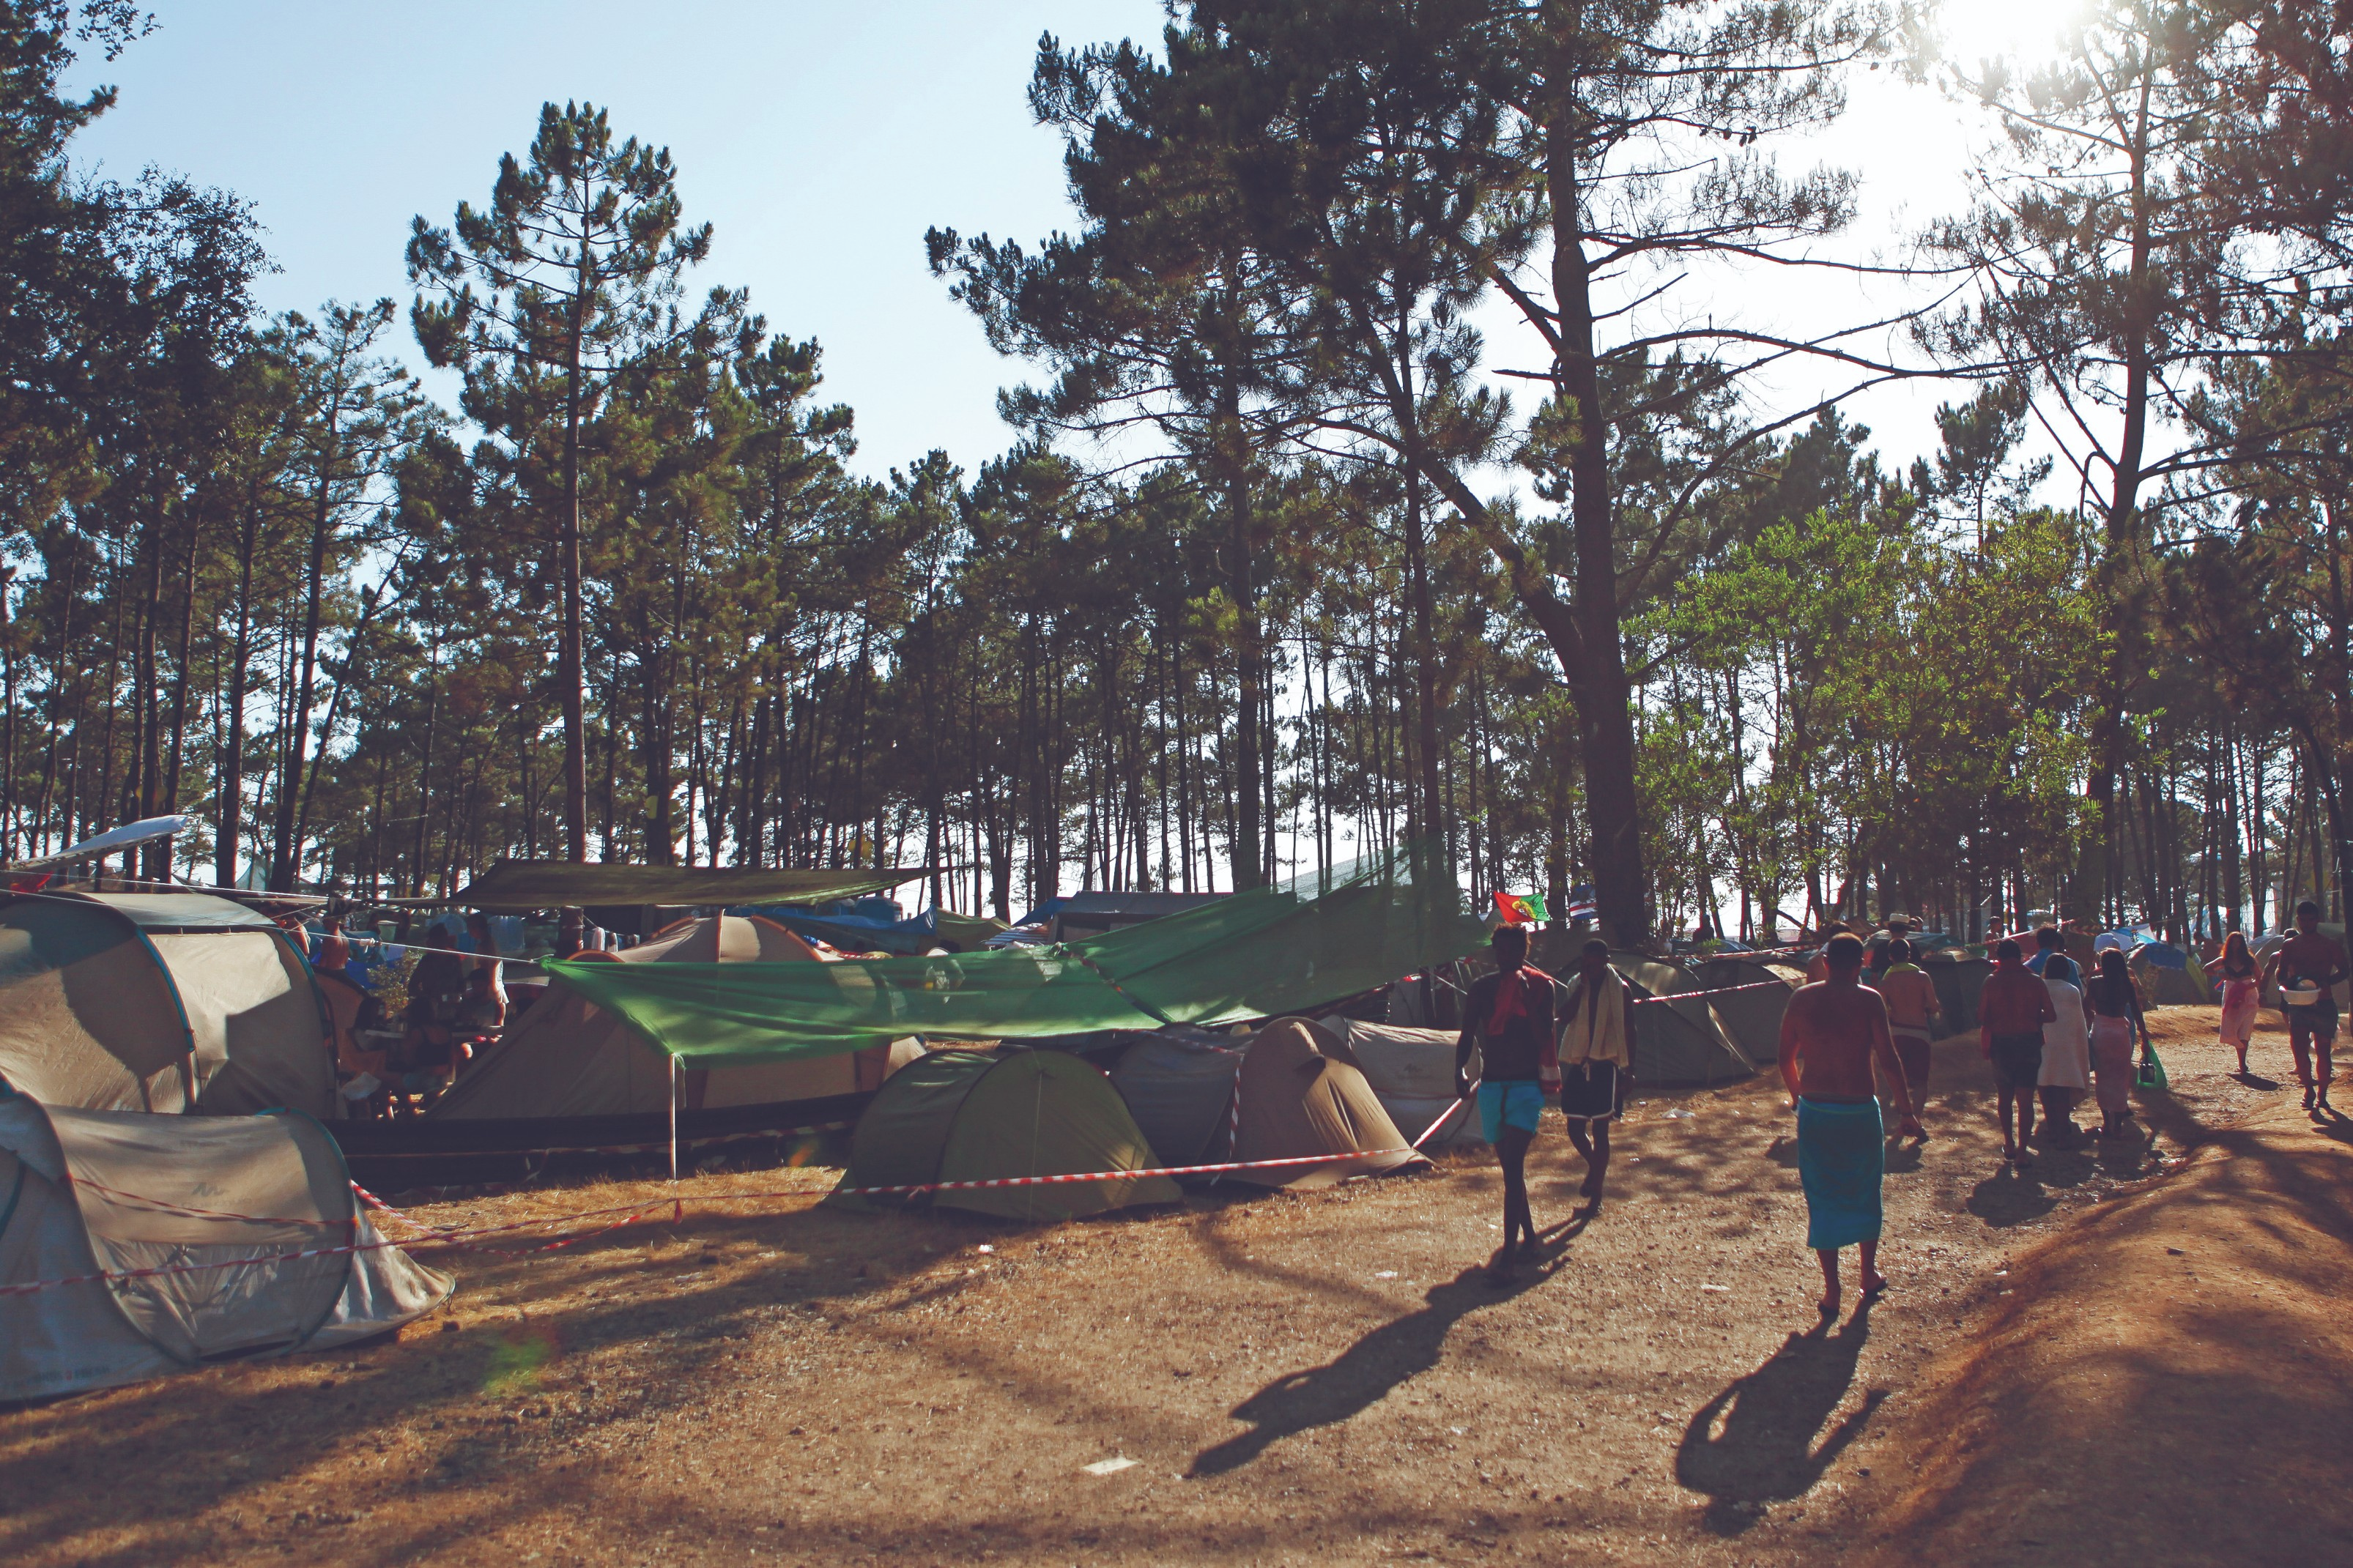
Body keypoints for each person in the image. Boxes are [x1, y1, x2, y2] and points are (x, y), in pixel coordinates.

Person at [1777, 933, 1922, 1318]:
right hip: (1858, 1108)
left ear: (1825, 963)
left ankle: (1831, 1290)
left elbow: (1785, 1058)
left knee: (1822, 1194)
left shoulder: (1802, 999)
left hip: (1817, 1111)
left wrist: (1798, 1099)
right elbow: (1888, 1059)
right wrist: (1906, 1110)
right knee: (1864, 1189)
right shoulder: (1869, 1000)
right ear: (1863, 962)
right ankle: (1868, 1273)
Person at [1456, 924, 1560, 1279]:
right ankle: (1530, 1239)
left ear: (1524, 953)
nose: (1507, 958)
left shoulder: (1542, 987)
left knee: (1514, 1166)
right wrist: (1460, 1071)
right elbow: (1468, 1033)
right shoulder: (1482, 989)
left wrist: (1528, 1002)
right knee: (1510, 1171)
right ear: (1494, 952)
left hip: (1526, 1087)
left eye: (1514, 952)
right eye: (1501, 951)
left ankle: (1509, 1261)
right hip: (1493, 1086)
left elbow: (1546, 1036)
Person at [1555, 939, 1635, 1203]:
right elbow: (1564, 1017)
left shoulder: (1620, 989)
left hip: (1606, 1064)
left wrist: (1629, 1069)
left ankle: (1596, 1195)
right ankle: (1595, 1168)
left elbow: (1629, 1029)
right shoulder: (1576, 985)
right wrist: (1582, 989)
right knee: (1575, 1128)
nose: (1589, 966)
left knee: (1601, 1131)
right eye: (1585, 961)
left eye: (1594, 961)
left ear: (1605, 960)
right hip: (1579, 1062)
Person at [2262, 899, 2351, 1111]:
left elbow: (2345, 971)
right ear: (2298, 920)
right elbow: (2280, 971)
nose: (2306, 923)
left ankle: (2322, 1095)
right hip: (2298, 1002)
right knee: (2300, 1049)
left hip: (2324, 1002)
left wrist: (2325, 982)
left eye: (2310, 920)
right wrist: (2285, 983)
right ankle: (2309, 1089)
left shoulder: (2330, 945)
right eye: (2303, 920)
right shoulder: (2290, 945)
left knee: (2323, 1050)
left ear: (2317, 920)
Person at [1979, 939, 2058, 1166]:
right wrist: (2031, 1018)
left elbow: (1982, 1016)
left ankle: (2009, 1144)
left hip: (2001, 1044)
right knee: (2025, 1100)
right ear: (2020, 957)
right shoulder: (2034, 981)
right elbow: (2051, 1015)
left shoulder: (1992, 981)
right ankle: (2023, 1151)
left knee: (2004, 1097)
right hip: (2029, 1042)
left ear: (2000, 958)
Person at [1872, 937, 1942, 1139]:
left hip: (1896, 1033)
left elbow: (1883, 1011)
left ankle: (1906, 1116)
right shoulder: (1922, 977)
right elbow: (1934, 1006)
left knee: (1899, 1079)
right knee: (1920, 1082)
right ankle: (1916, 1121)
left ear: (1891, 957)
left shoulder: (1886, 981)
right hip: (1919, 1032)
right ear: (1909, 954)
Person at [2085, 948, 2149, 1140]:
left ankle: (2106, 1124)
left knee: (2102, 1077)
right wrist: (2145, 1039)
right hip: (2120, 1031)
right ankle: (2119, 1126)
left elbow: (2085, 1005)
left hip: (2101, 1030)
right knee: (2122, 1079)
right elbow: (2137, 1013)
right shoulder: (2126, 984)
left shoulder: (2095, 982)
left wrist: (2093, 1016)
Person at [2037, 947, 2091, 1148]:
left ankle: (2051, 1126)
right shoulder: (2072, 991)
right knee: (2061, 1088)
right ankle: (2061, 1128)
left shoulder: (2039, 986)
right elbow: (2079, 1023)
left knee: (2045, 1085)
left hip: (2042, 1044)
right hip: (2066, 1046)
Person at [2215, 930, 2261, 1074]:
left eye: (2239, 942)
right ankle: (2241, 1061)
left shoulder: (2249, 960)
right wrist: (2220, 974)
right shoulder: (2225, 960)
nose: (2236, 945)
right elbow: (2207, 968)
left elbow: (2260, 976)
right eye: (2233, 942)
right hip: (2231, 994)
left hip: (2248, 996)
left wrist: (2249, 985)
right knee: (2233, 1025)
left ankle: (2242, 1064)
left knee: (2245, 1028)